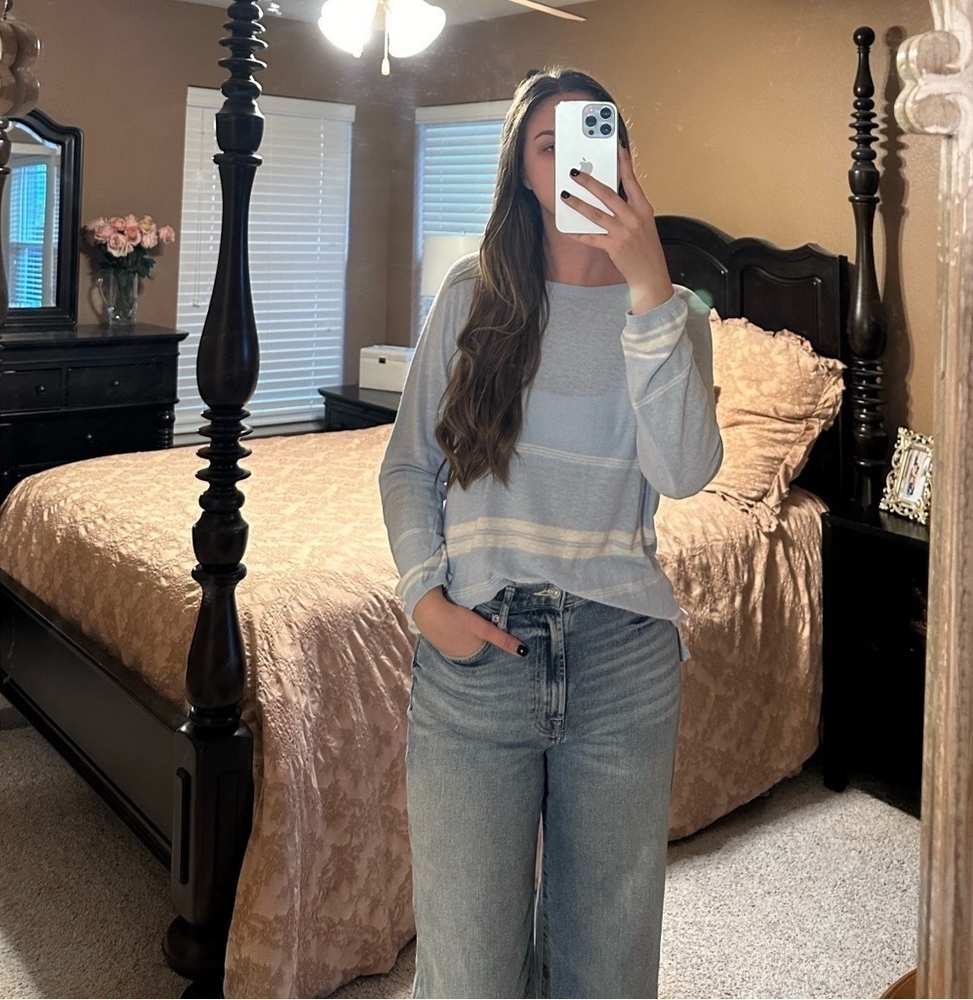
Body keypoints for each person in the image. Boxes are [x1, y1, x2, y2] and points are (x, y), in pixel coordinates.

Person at [379, 66, 723, 1000]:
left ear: (625, 160)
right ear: (524, 174)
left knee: (606, 971)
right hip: (479, 664)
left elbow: (686, 473)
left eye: (596, 137)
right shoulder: (471, 298)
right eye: (549, 143)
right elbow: (409, 466)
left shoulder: (677, 316)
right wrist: (425, 600)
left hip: (624, 662)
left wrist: (650, 288)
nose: (575, 160)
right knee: (469, 973)